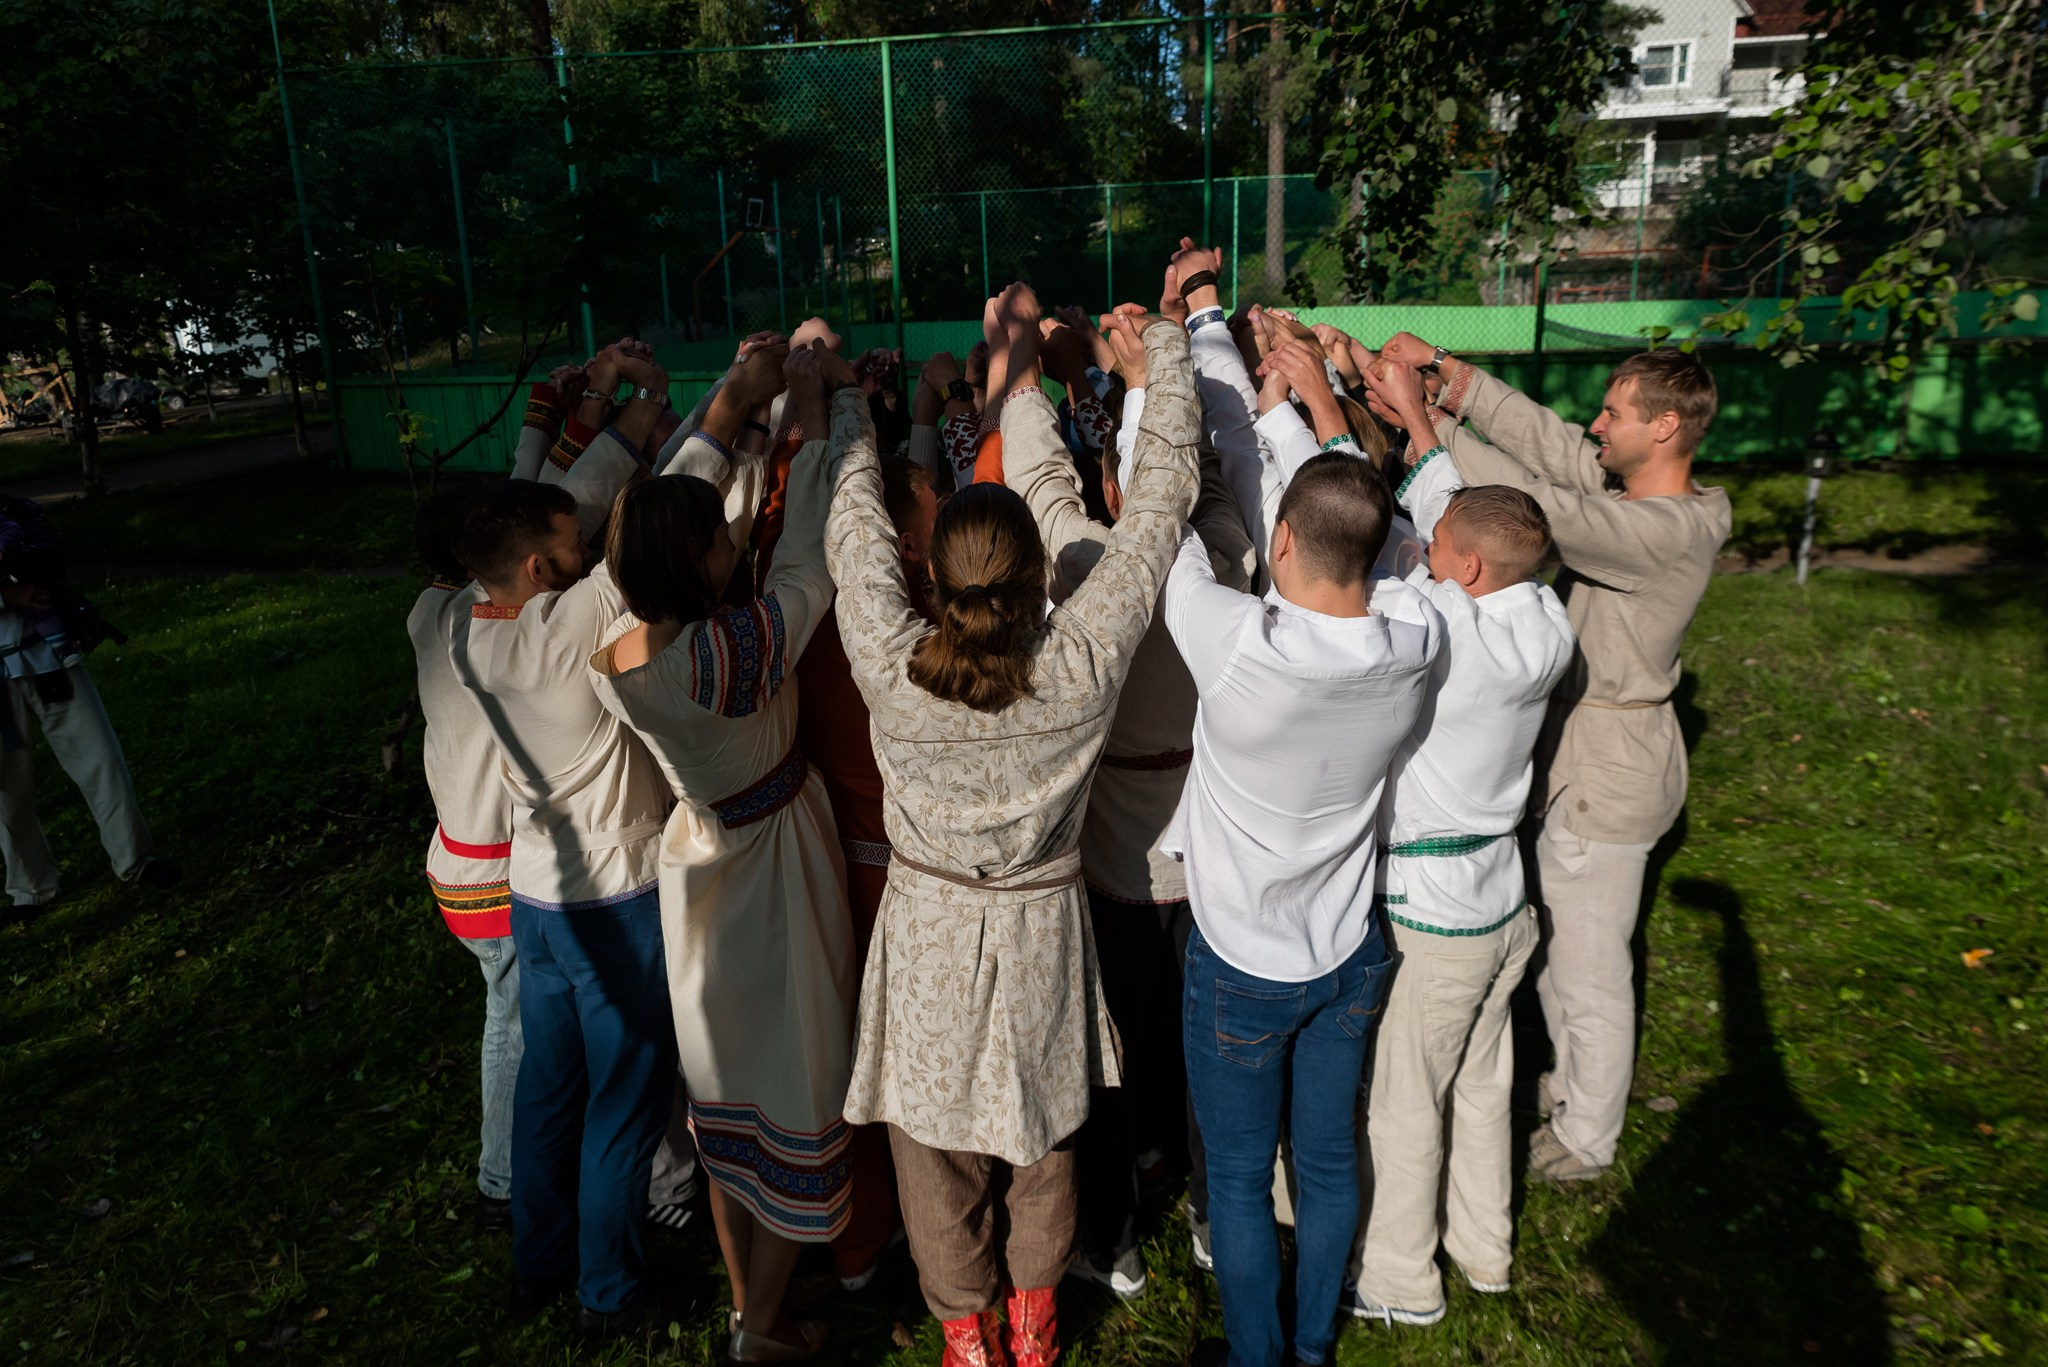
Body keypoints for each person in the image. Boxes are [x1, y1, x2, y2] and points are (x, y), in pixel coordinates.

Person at [824, 284, 1200, 1367]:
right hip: (1039, 931)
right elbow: (1163, 499)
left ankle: (966, 1332)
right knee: (1042, 1141)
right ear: (1039, 580)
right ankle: (1032, 1322)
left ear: (933, 577)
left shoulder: (896, 675)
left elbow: (851, 535)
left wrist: (857, 413)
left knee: (933, 1149)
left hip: (933, 930)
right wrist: (1159, 353)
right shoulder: (1078, 664)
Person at [1379, 333, 1732, 1183]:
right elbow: (1551, 451)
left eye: (1616, 413)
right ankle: (1574, 1087)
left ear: (1667, 426)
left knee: (1588, 967)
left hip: (1607, 773)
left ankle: (1587, 1135)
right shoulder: (1632, 493)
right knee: (1571, 951)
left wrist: (1426, 431)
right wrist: (1450, 381)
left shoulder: (1661, 531)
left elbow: (1540, 510)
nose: (1597, 424)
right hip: (1593, 755)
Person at [587, 343, 860, 1363]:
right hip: (773, 860)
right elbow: (801, 568)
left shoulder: (626, 646)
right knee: (795, 1075)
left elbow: (723, 545)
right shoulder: (729, 651)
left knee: (725, 1099)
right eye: (713, 545)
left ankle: (760, 1309)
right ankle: (757, 1330)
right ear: (698, 558)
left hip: (698, 856)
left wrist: (739, 444)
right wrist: (806, 421)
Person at [1162, 419, 1441, 1364]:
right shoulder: (1415, 642)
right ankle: (1313, 1346)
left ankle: (1255, 1357)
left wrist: (1148, 405)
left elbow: (1171, 544)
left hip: (1243, 963)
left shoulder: (1242, 644)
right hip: (1349, 952)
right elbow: (1400, 559)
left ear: (1280, 540)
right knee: (1325, 1162)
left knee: (1240, 1179)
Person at [997, 303, 1254, 1301]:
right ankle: (1199, 1210)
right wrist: (1152, 375)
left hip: (1107, 864)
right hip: (1203, 864)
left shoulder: (1084, 571)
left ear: (1115, 488)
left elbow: (1039, 479)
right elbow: (1214, 475)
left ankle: (1111, 1234)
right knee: (1196, 1050)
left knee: (1105, 1060)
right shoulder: (1228, 563)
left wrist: (1023, 368)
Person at [1329, 349, 1577, 1324]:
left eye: (1438, 549)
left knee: (1403, 1101)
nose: (1423, 551)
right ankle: (1484, 1246)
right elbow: (1459, 518)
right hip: (1505, 903)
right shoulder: (1542, 618)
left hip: (1437, 920)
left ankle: (1399, 1280)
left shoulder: (1438, 625)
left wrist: (1329, 418)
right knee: (1483, 1080)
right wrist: (1419, 430)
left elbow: (1365, 554)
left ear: (1461, 568)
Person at [450, 350, 683, 1338]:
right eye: (571, 543)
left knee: (549, 1089)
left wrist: (614, 407)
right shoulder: (569, 625)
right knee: (621, 1104)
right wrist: (716, 406)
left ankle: (534, 1260)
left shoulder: (466, 624)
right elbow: (678, 497)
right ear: (546, 569)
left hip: (535, 903)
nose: (585, 541)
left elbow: (567, 498)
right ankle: (607, 1290)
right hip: (613, 902)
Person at [0, 492, 172, 921]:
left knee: (100, 758)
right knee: (7, 788)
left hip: (48, 657)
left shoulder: (11, 515)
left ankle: (136, 861)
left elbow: (49, 558)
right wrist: (8, 596)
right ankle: (30, 888)